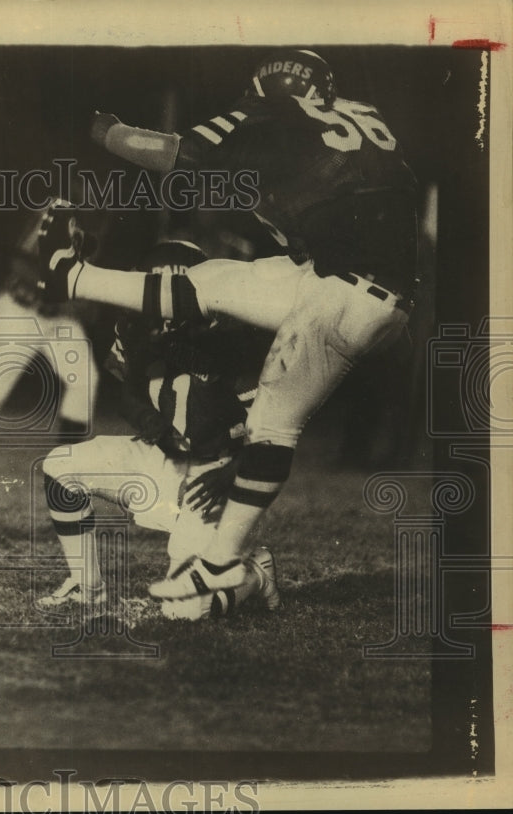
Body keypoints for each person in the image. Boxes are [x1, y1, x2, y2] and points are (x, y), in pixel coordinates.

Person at [38, 49, 418, 603]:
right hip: (347, 280)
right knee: (210, 281)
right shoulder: (358, 114)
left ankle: (225, 567)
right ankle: (72, 278)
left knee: (272, 423)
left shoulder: (273, 113)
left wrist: (99, 128)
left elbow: (179, 152)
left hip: (343, 289)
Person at [39, 240, 279, 620]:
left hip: (215, 475)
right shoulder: (135, 325)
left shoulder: (236, 335)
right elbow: (128, 393)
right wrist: (151, 423)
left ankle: (254, 574)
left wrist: (232, 472)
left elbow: (271, 432)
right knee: (60, 466)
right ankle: (87, 587)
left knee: (184, 610)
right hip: (162, 457)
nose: (160, 310)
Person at [0, 214, 99, 472]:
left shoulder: (99, 220)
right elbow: (21, 263)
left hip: (58, 317)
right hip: (21, 309)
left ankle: (67, 462)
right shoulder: (57, 210)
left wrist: (80, 299)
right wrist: (59, 288)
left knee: (85, 379)